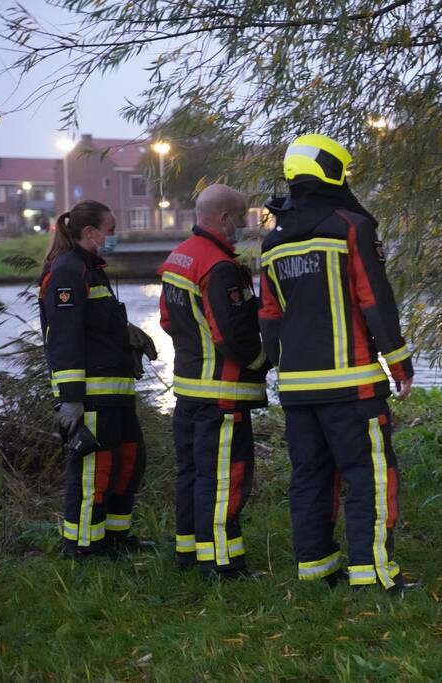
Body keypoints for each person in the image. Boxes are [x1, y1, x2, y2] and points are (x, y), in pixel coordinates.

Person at [259, 133, 413, 591]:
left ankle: (316, 568)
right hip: (354, 386)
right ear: (329, 170)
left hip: (298, 389)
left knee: (310, 477)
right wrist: (399, 364)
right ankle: (373, 573)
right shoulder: (350, 226)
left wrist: (274, 370)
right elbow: (374, 299)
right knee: (369, 475)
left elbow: (268, 316)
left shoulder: (273, 241)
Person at [158, 184, 268, 579]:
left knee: (192, 474)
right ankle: (223, 565)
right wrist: (262, 362)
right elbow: (231, 336)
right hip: (222, 393)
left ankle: (190, 552)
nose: (242, 227)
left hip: (188, 389)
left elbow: (168, 323)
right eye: (241, 220)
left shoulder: (179, 257)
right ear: (224, 219)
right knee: (225, 479)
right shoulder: (219, 267)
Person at [39, 199, 148, 556]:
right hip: (92, 396)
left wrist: (128, 337)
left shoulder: (90, 268)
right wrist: (71, 399)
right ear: (90, 232)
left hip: (116, 393)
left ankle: (115, 537)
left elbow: (96, 327)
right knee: (93, 474)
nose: (113, 236)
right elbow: (64, 337)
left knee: (129, 462)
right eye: (110, 230)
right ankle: (84, 547)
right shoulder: (68, 270)